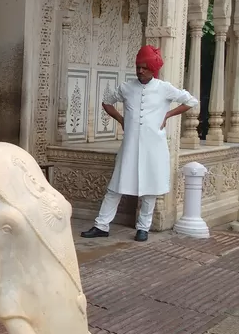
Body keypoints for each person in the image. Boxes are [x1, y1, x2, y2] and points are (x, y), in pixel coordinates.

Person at [80, 45, 198, 242]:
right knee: (115, 187)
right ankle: (101, 225)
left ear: (153, 68)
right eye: (138, 67)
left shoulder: (164, 88)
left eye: (144, 67)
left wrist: (167, 114)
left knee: (150, 190)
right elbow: (107, 102)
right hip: (130, 146)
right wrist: (121, 119)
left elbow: (191, 101)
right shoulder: (126, 87)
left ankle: (143, 228)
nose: (140, 71)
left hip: (154, 147)